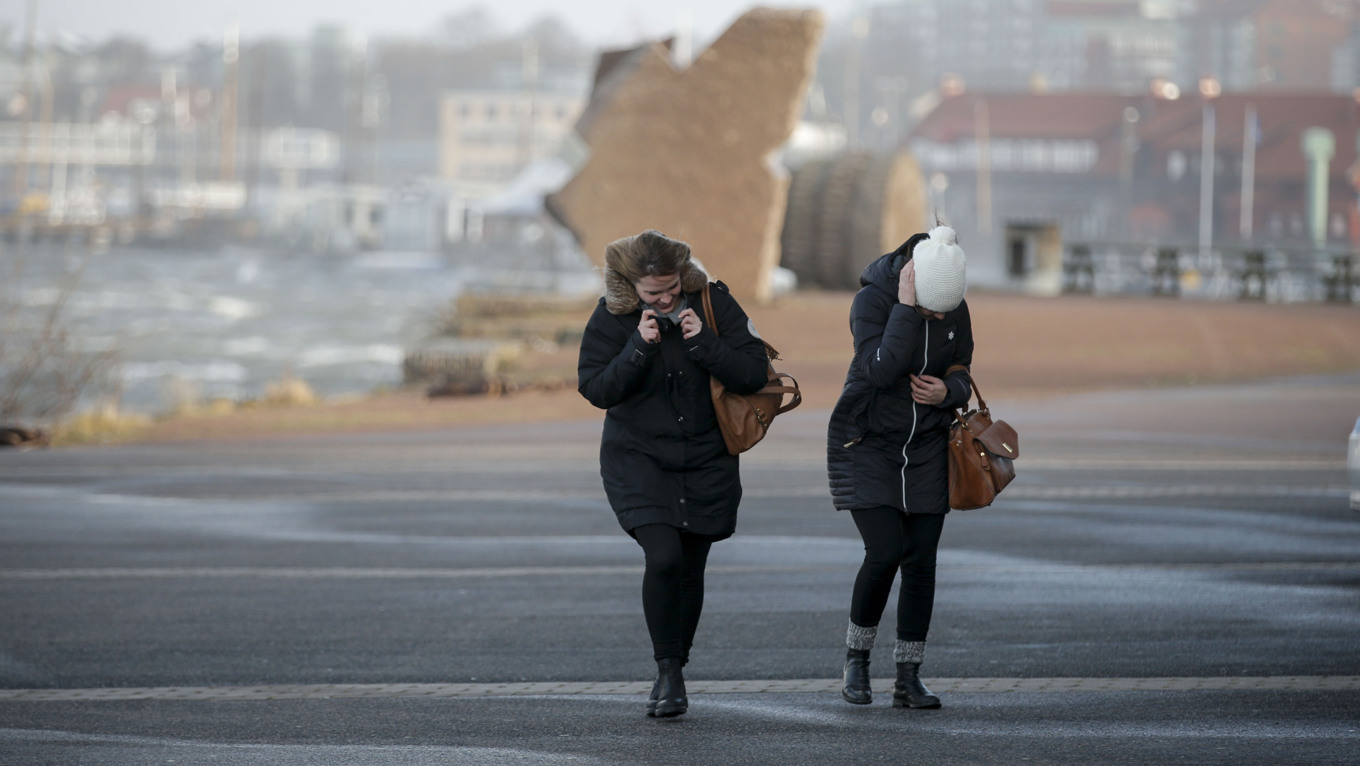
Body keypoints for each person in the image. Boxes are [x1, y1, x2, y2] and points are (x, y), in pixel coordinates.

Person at [577, 229, 771, 718]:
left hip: (708, 456)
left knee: (691, 566)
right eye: (653, 294)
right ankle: (667, 669)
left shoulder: (711, 303)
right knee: (663, 558)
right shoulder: (611, 316)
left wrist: (705, 343)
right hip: (637, 458)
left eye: (671, 289)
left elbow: (753, 373)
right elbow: (597, 388)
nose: (665, 300)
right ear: (632, 286)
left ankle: (675, 672)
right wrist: (637, 348)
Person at [826, 224, 974, 709]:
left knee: (922, 561)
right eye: (931, 308)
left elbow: (962, 369)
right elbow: (879, 369)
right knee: (885, 550)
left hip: (930, 447)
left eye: (942, 312)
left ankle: (909, 677)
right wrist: (908, 310)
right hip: (870, 442)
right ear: (914, 282)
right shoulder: (872, 302)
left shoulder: (951, 300)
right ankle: (857, 660)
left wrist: (947, 393)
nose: (939, 317)